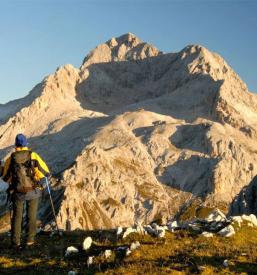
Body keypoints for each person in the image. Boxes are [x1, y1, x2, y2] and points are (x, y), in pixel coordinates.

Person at [1, 133, 50, 248]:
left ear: (16, 145)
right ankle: (30, 240)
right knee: (31, 216)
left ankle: (15, 242)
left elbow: (6, 177)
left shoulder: (11, 158)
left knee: (17, 217)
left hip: (18, 193)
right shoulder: (33, 155)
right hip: (33, 191)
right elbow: (45, 172)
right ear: (26, 144)